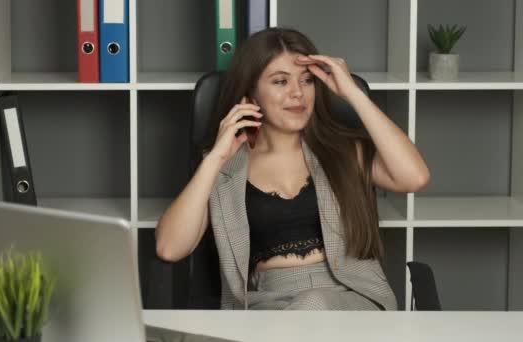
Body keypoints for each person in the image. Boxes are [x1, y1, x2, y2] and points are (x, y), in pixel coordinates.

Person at [155, 27, 430, 310]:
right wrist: (214, 159)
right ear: (250, 92)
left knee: (314, 303)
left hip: (351, 297)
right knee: (304, 311)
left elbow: (415, 177)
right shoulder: (224, 166)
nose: (297, 93)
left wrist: (352, 94)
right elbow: (170, 247)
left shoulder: (344, 151)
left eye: (307, 80)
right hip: (267, 306)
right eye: (280, 82)